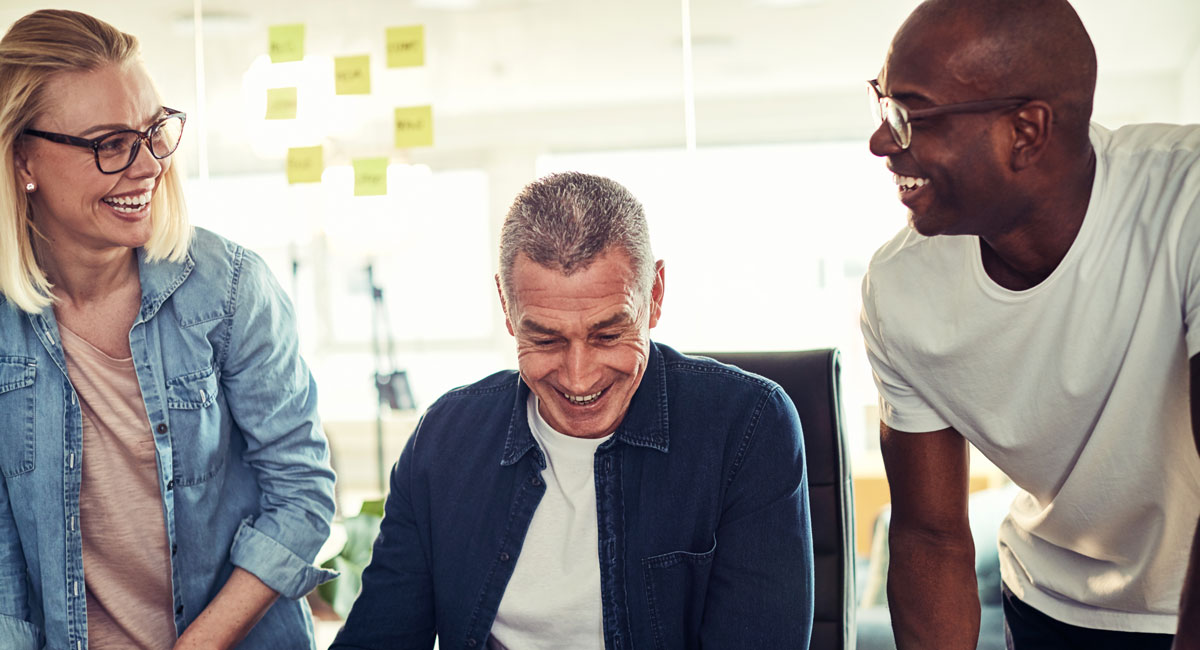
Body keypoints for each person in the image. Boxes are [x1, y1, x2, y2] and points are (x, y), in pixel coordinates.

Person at [331, 172, 814, 649]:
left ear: (655, 296)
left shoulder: (748, 427)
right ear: (505, 303)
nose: (579, 378)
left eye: (608, 335)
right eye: (545, 339)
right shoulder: (444, 438)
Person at [859, 0, 1200, 648]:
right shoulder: (899, 290)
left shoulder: (1186, 201)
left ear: (1026, 131)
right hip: (1046, 608)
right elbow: (929, 536)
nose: (881, 141)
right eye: (882, 105)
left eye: (911, 115)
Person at [0, 10, 337, 650]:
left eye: (154, 131)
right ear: (22, 160)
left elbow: (301, 495)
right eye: (109, 143)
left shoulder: (231, 288)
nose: (147, 165)